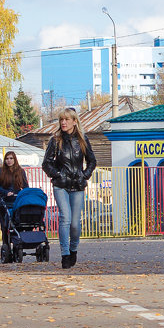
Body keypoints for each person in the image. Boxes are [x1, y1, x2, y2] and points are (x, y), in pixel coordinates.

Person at [42, 107, 97, 269]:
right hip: (61, 185)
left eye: (67, 119)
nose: (63, 122)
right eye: (61, 120)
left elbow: (92, 161)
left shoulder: (82, 139)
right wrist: (57, 174)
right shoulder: (55, 140)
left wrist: (84, 174)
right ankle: (65, 254)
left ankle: (73, 249)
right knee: (65, 218)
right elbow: (46, 163)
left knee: (75, 222)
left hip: (78, 185)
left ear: (74, 121)